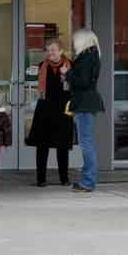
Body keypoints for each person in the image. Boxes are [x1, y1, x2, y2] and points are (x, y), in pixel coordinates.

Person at [26, 39, 74, 187]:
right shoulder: (43, 66)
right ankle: (41, 179)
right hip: (45, 109)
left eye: (53, 50)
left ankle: (64, 178)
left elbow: (74, 87)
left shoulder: (70, 66)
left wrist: (67, 75)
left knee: (63, 146)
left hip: (63, 109)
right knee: (42, 145)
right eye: (48, 50)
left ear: (61, 51)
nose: (50, 53)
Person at [62, 29, 104, 193]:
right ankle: (88, 179)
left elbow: (83, 81)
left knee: (86, 143)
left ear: (83, 41)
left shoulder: (86, 57)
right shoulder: (92, 55)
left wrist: (68, 74)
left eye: (75, 40)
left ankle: (88, 181)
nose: (73, 43)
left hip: (84, 102)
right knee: (88, 142)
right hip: (87, 101)